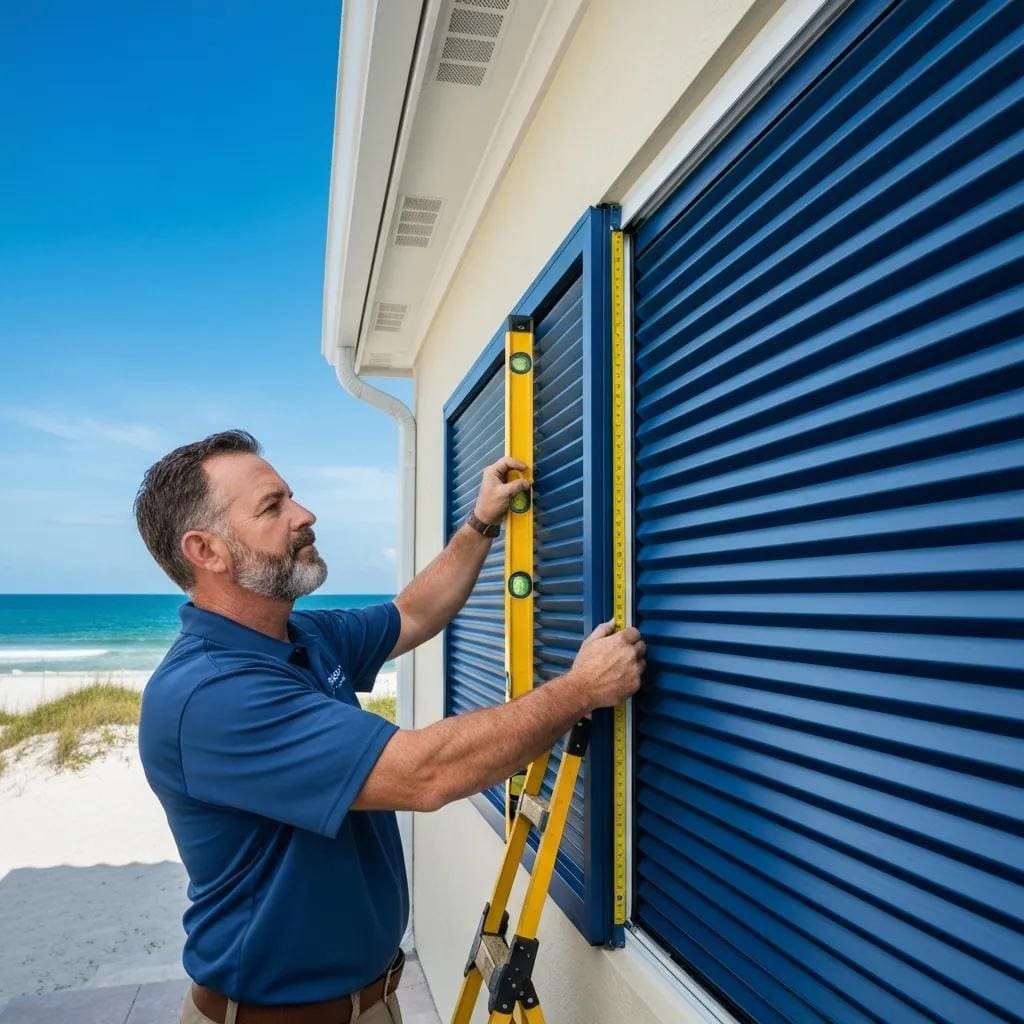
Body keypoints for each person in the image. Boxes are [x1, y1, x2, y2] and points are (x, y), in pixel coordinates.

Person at [134, 430, 645, 1024]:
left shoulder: (302, 638)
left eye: (291, 497)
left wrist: (480, 524)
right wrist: (583, 688)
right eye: (273, 507)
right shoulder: (211, 696)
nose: (305, 514)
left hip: (371, 1001)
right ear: (206, 551)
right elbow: (428, 773)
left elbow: (413, 612)